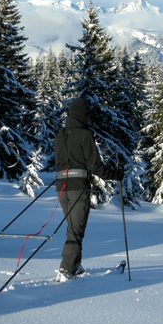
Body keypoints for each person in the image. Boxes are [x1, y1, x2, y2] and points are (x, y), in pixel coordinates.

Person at [54, 97, 124, 282]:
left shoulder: (60, 135)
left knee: (72, 228)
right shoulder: (86, 135)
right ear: (84, 116)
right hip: (78, 188)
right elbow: (95, 167)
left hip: (61, 188)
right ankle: (66, 270)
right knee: (76, 231)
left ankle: (74, 265)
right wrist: (115, 174)